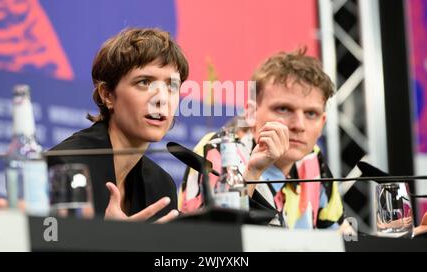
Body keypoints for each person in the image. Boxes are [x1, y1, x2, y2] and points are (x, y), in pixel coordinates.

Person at [180, 48, 347, 230]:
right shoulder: (220, 148)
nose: (299, 125)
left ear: (322, 122)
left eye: (311, 113)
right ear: (251, 113)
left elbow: (342, 237)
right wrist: (253, 173)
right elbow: (215, 239)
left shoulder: (313, 159)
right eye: (283, 109)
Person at [46, 27, 189, 222]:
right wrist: (106, 239)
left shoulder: (161, 187)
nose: (162, 99)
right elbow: (47, 240)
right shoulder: (65, 167)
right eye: (145, 82)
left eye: (172, 86)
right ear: (107, 95)